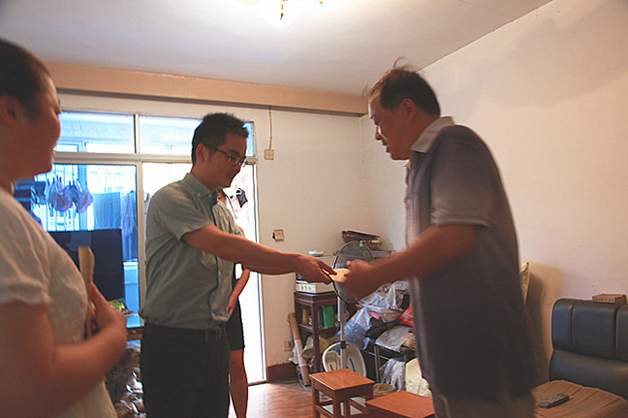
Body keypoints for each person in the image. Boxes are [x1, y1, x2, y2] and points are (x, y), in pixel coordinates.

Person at [340, 68, 538, 418]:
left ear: (408, 109)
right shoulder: (420, 164)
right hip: (451, 368)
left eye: (378, 121)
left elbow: (453, 237)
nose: (376, 135)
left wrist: (375, 273)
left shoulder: (455, 144)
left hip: (485, 365)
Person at [139, 112, 333, 418]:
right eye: (231, 156)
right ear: (202, 151)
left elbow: (247, 257)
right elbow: (224, 245)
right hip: (172, 343)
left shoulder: (221, 210)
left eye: (241, 159)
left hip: (214, 342)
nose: (238, 166)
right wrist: (297, 260)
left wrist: (300, 266)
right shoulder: (170, 199)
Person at [0, 38, 128, 418]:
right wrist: (114, 336)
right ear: (10, 111)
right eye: (57, 110)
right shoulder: (6, 218)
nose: (60, 125)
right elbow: (30, 390)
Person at [217, 188, 250, 418]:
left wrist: (233, 296)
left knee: (236, 364)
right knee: (213, 369)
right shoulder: (201, 233)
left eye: (221, 199)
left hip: (230, 306)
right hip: (205, 308)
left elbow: (247, 268)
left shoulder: (236, 232)